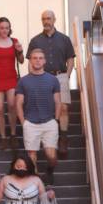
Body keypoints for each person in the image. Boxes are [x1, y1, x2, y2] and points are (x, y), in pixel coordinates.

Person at [26, 10, 75, 157]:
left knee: (64, 108)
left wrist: (67, 76)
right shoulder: (35, 41)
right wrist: (33, 77)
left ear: (54, 19)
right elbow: (30, 61)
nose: (46, 21)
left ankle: (64, 138)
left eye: (48, 18)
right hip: (43, 77)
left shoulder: (65, 39)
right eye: (43, 19)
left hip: (61, 76)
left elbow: (71, 59)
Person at [15, 49, 60, 182]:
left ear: (45, 61)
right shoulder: (23, 81)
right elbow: (18, 103)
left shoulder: (53, 80)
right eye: (35, 58)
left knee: (51, 155)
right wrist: (24, 122)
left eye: (40, 58)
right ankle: (36, 181)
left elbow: (58, 102)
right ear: (30, 60)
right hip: (30, 123)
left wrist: (56, 120)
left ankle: (50, 170)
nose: (38, 60)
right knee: (31, 157)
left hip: (49, 122)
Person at [0, 16, 24, 149]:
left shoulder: (14, 41)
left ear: (9, 28)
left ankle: (13, 134)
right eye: (2, 28)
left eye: (7, 28)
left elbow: (22, 60)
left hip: (11, 78)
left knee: (12, 105)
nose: (4, 30)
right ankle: (3, 137)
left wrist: (20, 51)